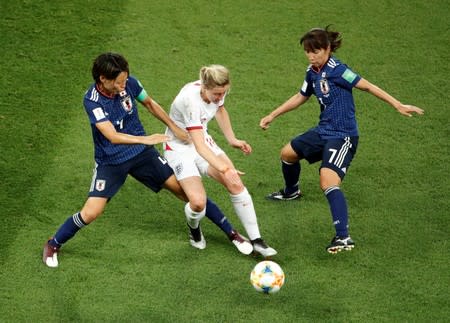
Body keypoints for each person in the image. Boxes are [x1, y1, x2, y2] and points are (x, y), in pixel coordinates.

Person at [42, 53, 252, 268]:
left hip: (142, 155)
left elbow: (150, 104)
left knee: (189, 194)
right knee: (91, 212)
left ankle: (232, 233)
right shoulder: (92, 101)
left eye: (125, 79)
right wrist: (146, 139)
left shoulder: (130, 84)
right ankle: (54, 243)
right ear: (103, 78)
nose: (124, 85)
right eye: (119, 81)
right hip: (111, 161)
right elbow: (111, 135)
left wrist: (174, 127)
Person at [259, 26, 424, 254]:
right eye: (307, 51)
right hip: (323, 130)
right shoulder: (312, 71)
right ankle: (291, 191)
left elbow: (367, 86)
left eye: (315, 51)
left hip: (343, 136)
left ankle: (344, 237)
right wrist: (272, 115)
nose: (311, 55)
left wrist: (398, 104)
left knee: (327, 181)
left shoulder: (339, 70)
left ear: (327, 49)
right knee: (287, 153)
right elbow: (301, 96)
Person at [163, 64, 277, 258]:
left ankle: (257, 241)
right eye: (216, 93)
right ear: (204, 87)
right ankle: (194, 228)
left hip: (201, 140)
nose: (219, 97)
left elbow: (220, 110)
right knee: (198, 203)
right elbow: (199, 146)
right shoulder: (190, 100)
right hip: (179, 148)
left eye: (223, 92)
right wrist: (224, 167)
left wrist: (232, 140)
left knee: (235, 182)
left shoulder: (217, 90)